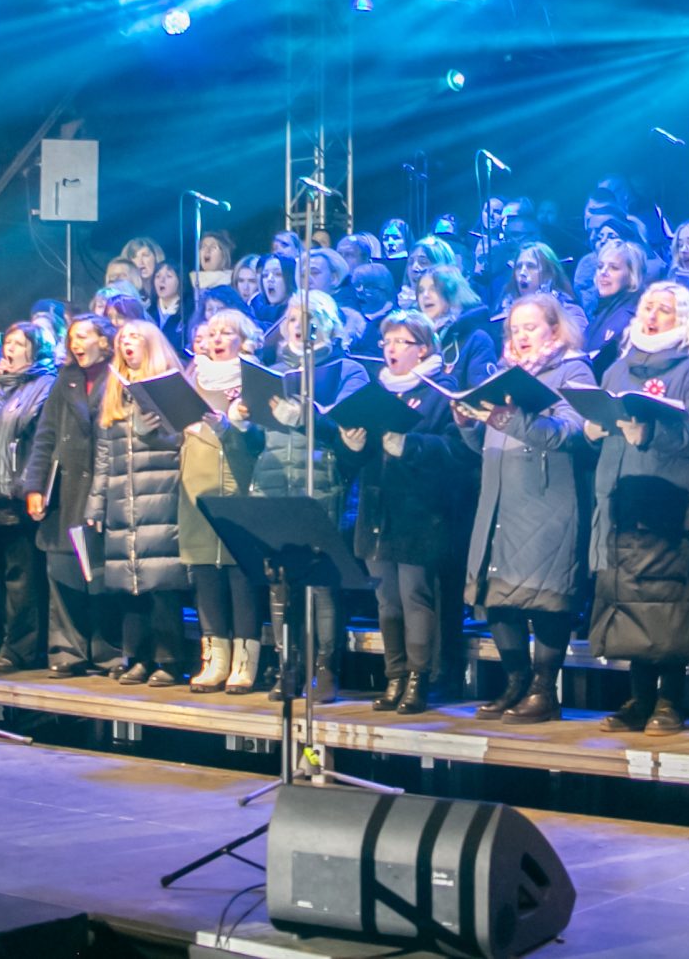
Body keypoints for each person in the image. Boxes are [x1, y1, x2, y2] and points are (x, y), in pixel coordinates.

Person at [456, 292, 595, 723]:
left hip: (547, 502)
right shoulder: (503, 377)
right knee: (498, 595)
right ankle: (515, 682)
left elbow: (570, 433)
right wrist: (468, 425)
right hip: (500, 501)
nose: (521, 336)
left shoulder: (573, 370)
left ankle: (543, 690)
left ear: (554, 328)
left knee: (545, 597)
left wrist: (507, 418)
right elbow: (488, 446)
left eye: (530, 327)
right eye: (515, 329)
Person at [585, 283, 689, 736]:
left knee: (668, 604)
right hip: (620, 498)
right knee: (627, 598)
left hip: (670, 503)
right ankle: (640, 698)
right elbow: (601, 417)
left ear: (684, 319)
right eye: (647, 308)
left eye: (664, 309)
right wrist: (591, 429)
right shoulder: (617, 369)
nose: (652, 316)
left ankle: (671, 699)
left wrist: (652, 434)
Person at [239, 290, 370, 698]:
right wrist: (241, 422)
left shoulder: (347, 370)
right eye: (293, 318)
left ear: (329, 325)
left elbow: (348, 431)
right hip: (274, 483)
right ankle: (288, 666)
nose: (300, 325)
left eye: (310, 318)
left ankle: (326, 667)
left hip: (321, 482)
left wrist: (305, 415)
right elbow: (257, 441)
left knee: (322, 581)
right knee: (280, 581)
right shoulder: (271, 372)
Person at [338, 313, 469, 714]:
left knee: (415, 596)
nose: (391, 349)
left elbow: (458, 452)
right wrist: (352, 445)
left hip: (420, 513)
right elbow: (352, 463)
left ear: (423, 348)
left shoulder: (441, 392)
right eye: (387, 342)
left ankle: (419, 678)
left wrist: (410, 446)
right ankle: (394, 676)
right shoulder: (376, 392)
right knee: (387, 601)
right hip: (377, 512)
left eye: (401, 341)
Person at [89, 321, 192, 686]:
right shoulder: (115, 392)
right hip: (123, 501)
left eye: (134, 337)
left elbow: (186, 439)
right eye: (122, 339)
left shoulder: (169, 385)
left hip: (159, 498)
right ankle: (137, 656)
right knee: (128, 585)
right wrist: (96, 503)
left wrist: (158, 430)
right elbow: (105, 455)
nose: (126, 343)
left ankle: (169, 659)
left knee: (161, 583)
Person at [25, 312, 119, 676]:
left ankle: (109, 651)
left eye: (83, 336)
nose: (76, 344)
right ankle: (68, 650)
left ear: (104, 341)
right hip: (66, 490)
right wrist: (35, 486)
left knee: (103, 576)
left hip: (105, 488)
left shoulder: (118, 376)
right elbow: (45, 435)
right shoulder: (65, 380)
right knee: (64, 570)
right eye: (72, 338)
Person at [181, 306, 266, 694]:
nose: (216, 339)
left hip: (238, 482)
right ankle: (214, 659)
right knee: (205, 572)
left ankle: (245, 662)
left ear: (244, 340)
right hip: (195, 483)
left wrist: (232, 426)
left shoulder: (254, 378)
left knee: (239, 573)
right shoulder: (192, 375)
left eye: (226, 332)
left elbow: (261, 440)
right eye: (212, 332)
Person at [0, 324, 55, 675]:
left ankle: (22, 650)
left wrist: (29, 486)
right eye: (8, 342)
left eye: (20, 343)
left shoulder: (44, 386)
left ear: (36, 350)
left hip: (17, 497)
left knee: (22, 580)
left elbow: (40, 442)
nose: (11, 347)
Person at [582, 240, 645, 358]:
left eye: (614, 268)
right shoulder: (602, 308)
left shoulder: (630, 318)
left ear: (632, 275)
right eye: (600, 266)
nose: (603, 272)